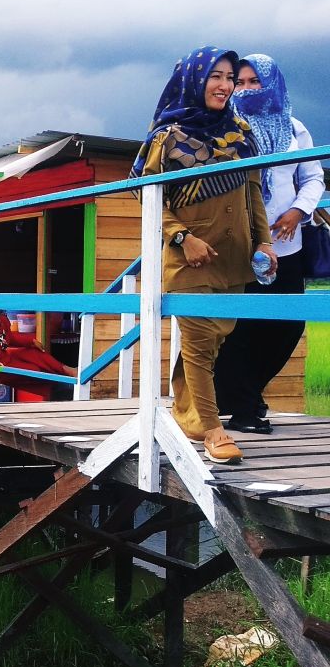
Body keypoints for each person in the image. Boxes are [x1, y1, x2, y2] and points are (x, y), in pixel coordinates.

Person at [131, 46, 274, 464]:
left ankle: (187, 413)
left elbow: (253, 193)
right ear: (195, 79)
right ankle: (213, 430)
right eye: (216, 76)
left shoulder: (241, 132)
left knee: (212, 342)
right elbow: (147, 194)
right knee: (196, 343)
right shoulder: (168, 136)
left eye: (230, 77)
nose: (225, 85)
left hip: (236, 257)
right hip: (189, 257)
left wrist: (263, 242)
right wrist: (181, 238)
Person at [213, 54, 325, 434]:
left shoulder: (294, 129)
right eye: (239, 83)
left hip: (286, 245)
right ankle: (244, 409)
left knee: (286, 327)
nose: (245, 90)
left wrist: (298, 210)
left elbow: (312, 177)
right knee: (241, 328)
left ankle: (245, 396)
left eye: (253, 82)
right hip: (240, 245)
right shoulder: (227, 127)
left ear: (271, 84)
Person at [0, 310, 76, 397]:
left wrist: (30, 341)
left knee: (33, 353)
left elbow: (10, 339)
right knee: (34, 370)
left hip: (6, 357)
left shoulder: (2, 321)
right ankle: (58, 388)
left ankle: (66, 370)